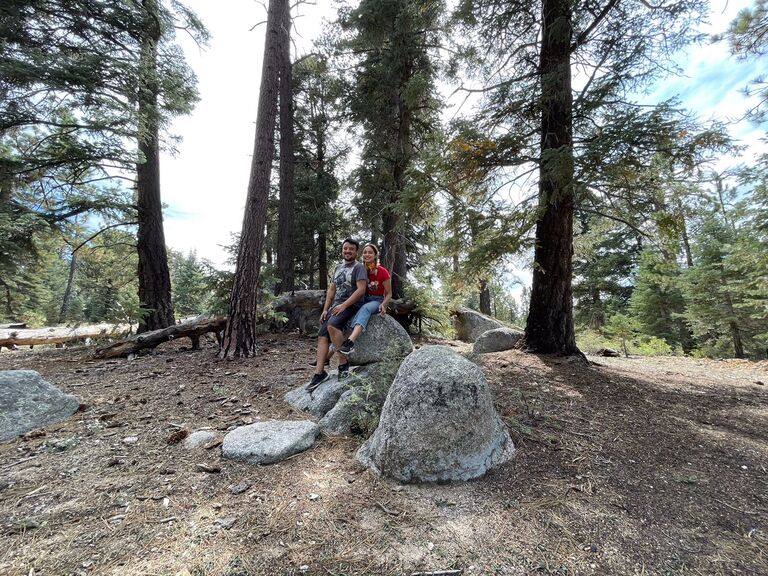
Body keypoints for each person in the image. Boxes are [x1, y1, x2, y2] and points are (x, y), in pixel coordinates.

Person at [307, 238, 367, 391]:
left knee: (333, 325)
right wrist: (326, 309)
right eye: (345, 248)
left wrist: (344, 305)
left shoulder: (359, 267)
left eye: (351, 249)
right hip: (336, 306)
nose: (347, 251)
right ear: (342, 250)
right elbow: (332, 290)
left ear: (356, 252)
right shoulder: (338, 268)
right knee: (322, 336)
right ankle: (319, 373)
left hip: (352, 305)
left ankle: (343, 361)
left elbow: (361, 290)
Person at [339, 243, 392, 356]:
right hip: (363, 299)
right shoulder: (361, 270)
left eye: (370, 252)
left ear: (375, 255)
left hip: (376, 301)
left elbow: (389, 293)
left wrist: (384, 304)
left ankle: (350, 342)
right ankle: (329, 353)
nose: (367, 254)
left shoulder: (382, 272)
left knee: (365, 309)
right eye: (365, 252)